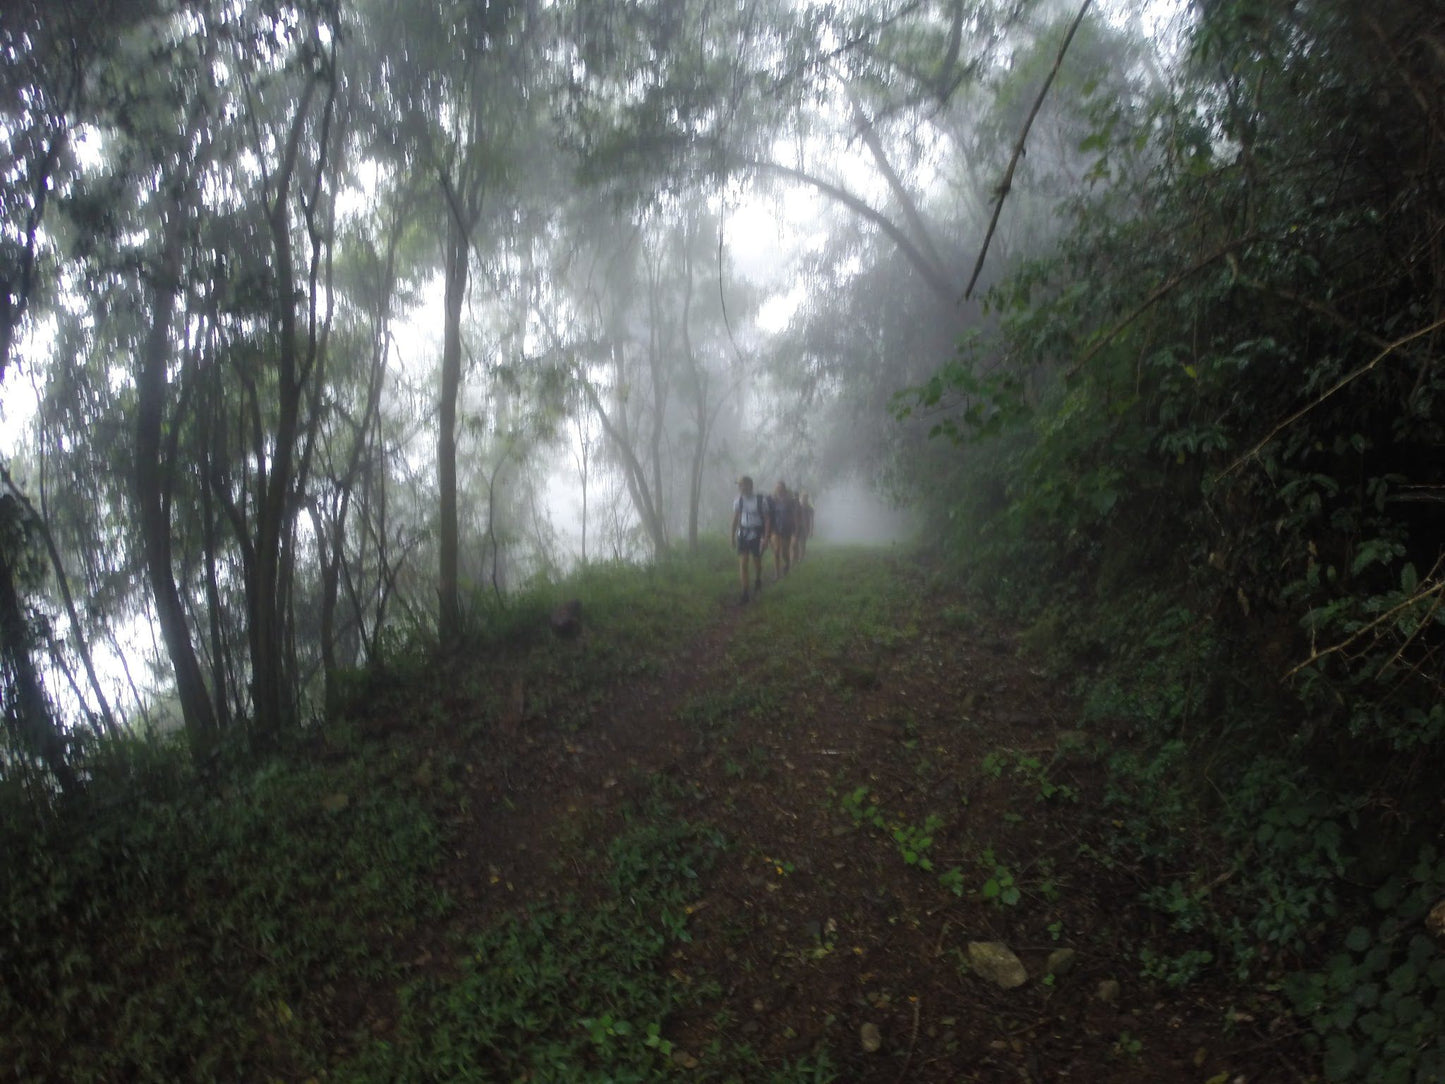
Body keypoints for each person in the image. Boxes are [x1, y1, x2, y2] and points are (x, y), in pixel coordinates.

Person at [730, 475, 770, 603]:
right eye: (739, 485)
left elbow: (767, 519)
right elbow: (736, 518)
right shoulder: (738, 501)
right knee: (743, 563)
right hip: (742, 533)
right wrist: (732, 536)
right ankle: (745, 592)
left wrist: (766, 538)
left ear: (749, 486)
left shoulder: (760, 500)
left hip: (757, 534)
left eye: (742, 485)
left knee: (757, 562)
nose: (740, 488)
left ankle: (758, 579)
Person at [768, 481, 796, 580]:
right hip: (775, 528)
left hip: (786, 528)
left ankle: (787, 564)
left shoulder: (790, 501)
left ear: (784, 489)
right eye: (777, 487)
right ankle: (777, 574)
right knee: (776, 551)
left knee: (784, 551)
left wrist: (794, 528)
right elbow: (768, 515)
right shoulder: (772, 500)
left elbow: (793, 516)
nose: (779, 489)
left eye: (780, 487)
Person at [794, 490, 814, 563]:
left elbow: (812, 520)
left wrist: (811, 530)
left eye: (806, 497)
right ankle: (795, 558)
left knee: (802, 543)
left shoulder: (810, 508)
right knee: (795, 543)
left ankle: (801, 559)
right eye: (803, 497)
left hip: (805, 528)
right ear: (801, 498)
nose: (804, 499)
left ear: (807, 498)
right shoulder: (797, 506)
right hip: (796, 528)